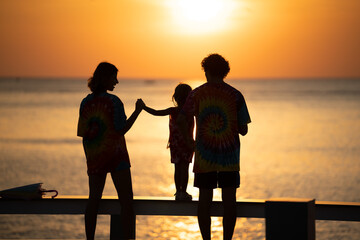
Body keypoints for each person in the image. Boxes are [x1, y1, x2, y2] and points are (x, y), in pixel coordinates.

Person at [178, 54, 251, 240]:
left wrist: (189, 141)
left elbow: (182, 118)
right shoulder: (236, 95)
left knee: (204, 201)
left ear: (206, 70)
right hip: (229, 158)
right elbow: (243, 130)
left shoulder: (196, 94)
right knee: (229, 202)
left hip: (204, 157)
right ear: (225, 71)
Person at [77, 62, 144, 240]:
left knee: (94, 200)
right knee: (126, 201)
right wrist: (137, 112)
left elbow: (83, 134)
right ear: (105, 78)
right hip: (116, 156)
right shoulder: (114, 101)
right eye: (114, 77)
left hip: (95, 156)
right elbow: (121, 129)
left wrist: (91, 156)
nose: (117, 81)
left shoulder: (86, 102)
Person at [143, 83, 194, 201]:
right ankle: (184, 192)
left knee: (177, 168)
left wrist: (144, 107)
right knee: (184, 168)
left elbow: (156, 112)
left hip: (175, 145)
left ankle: (178, 192)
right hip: (187, 144)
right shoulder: (191, 111)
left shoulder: (173, 111)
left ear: (175, 98)